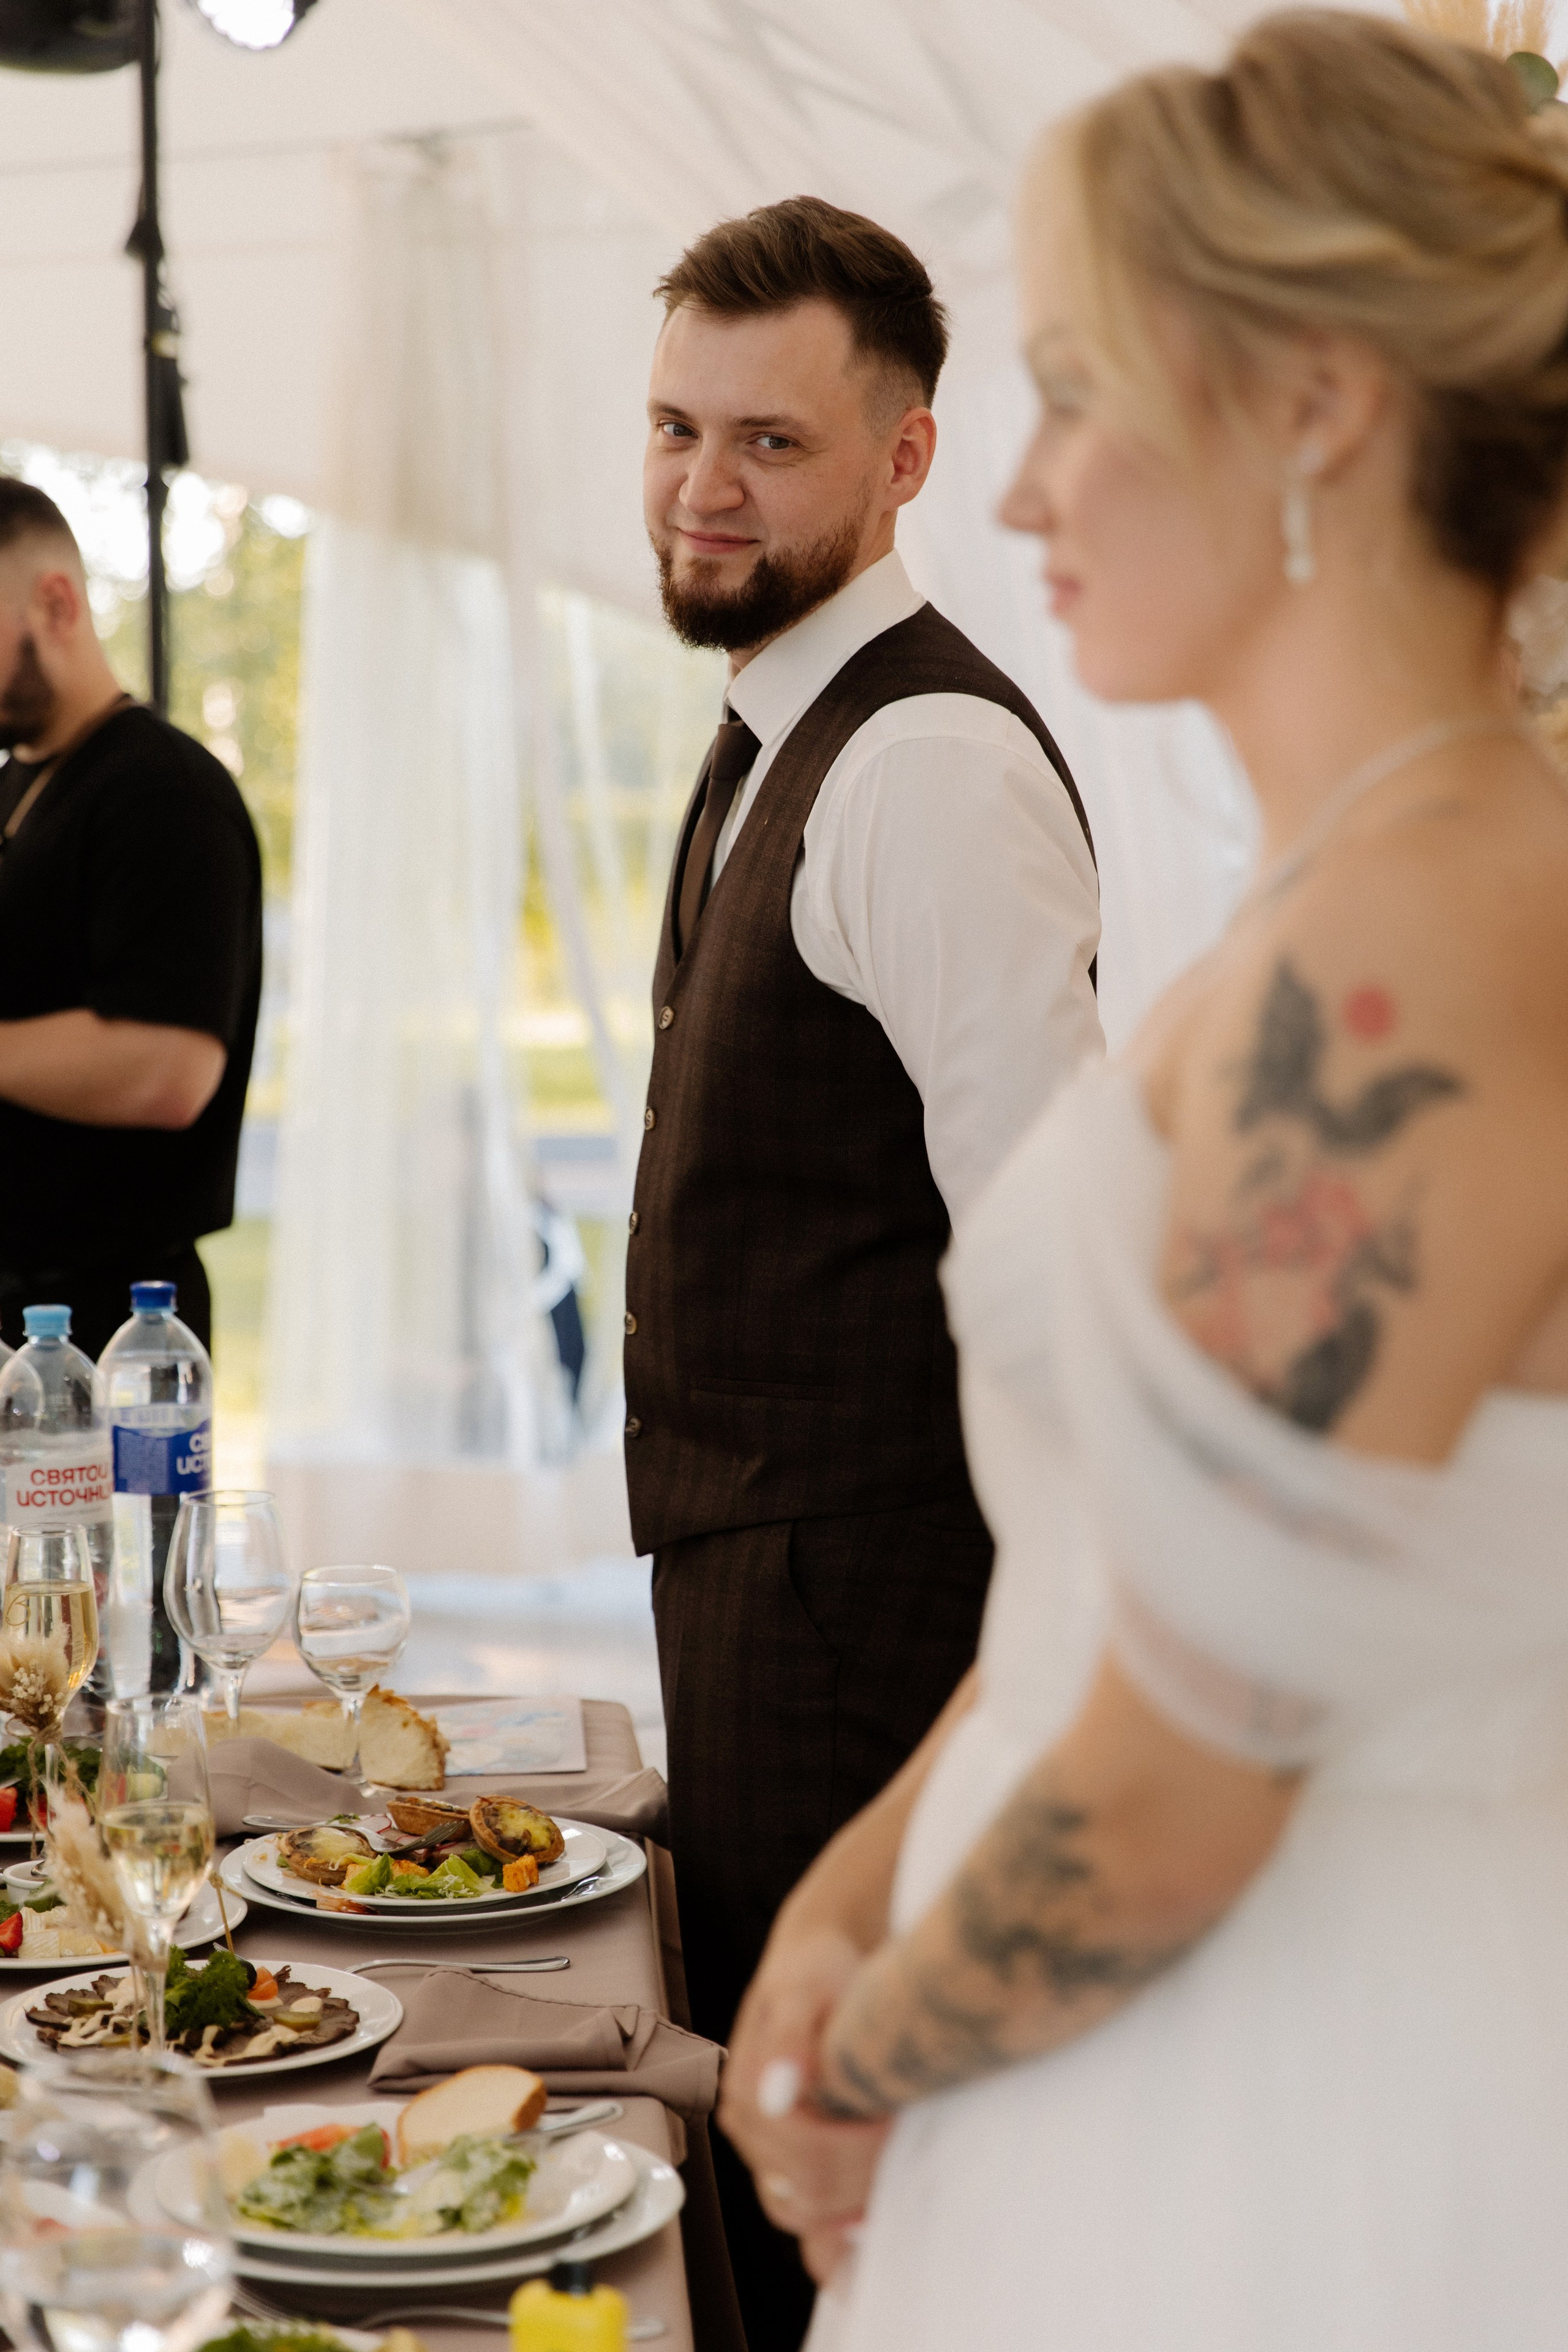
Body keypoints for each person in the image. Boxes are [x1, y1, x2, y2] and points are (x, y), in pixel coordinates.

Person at [718, 17, 1568, 2348]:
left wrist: (845, 2065)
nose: (1020, 490)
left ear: (1313, 405)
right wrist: (856, 1887)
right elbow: (1120, 1576)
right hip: (1113, 2047)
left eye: (1084, 393)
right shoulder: (1334, 901)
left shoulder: (1432, 940)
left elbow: (1199, 1775)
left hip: (1301, 2104)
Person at [626, 196, 1101, 2344]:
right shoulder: (770, 732)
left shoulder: (923, 762)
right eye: (673, 429)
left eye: (771, 445)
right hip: (761, 1581)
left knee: (847, 2172)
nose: (703, 488)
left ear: (909, 458)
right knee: (750, 2129)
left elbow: (1053, 1246)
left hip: (875, 1613)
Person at [0, 479, 262, 1359]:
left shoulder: (164, 794)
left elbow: (169, 1068)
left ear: (57, 601)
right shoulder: (19, 784)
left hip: (115, 1334)